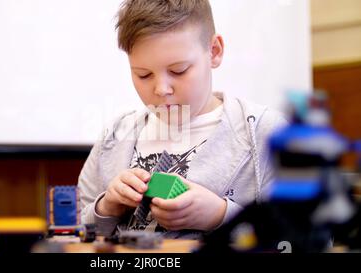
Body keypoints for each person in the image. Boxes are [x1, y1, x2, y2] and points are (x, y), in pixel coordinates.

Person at [77, 0, 287, 239]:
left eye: (178, 71)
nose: (161, 89)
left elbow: (303, 236)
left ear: (214, 51)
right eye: (143, 75)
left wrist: (220, 215)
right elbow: (68, 231)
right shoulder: (115, 136)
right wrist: (105, 208)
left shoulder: (268, 133)